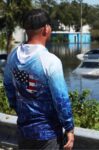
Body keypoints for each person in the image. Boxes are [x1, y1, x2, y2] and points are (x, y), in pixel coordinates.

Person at [3, 9, 74, 150]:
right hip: (48, 135)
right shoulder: (50, 61)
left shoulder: (13, 55)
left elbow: (8, 86)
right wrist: (69, 127)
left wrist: (19, 110)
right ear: (46, 29)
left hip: (24, 131)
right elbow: (61, 99)